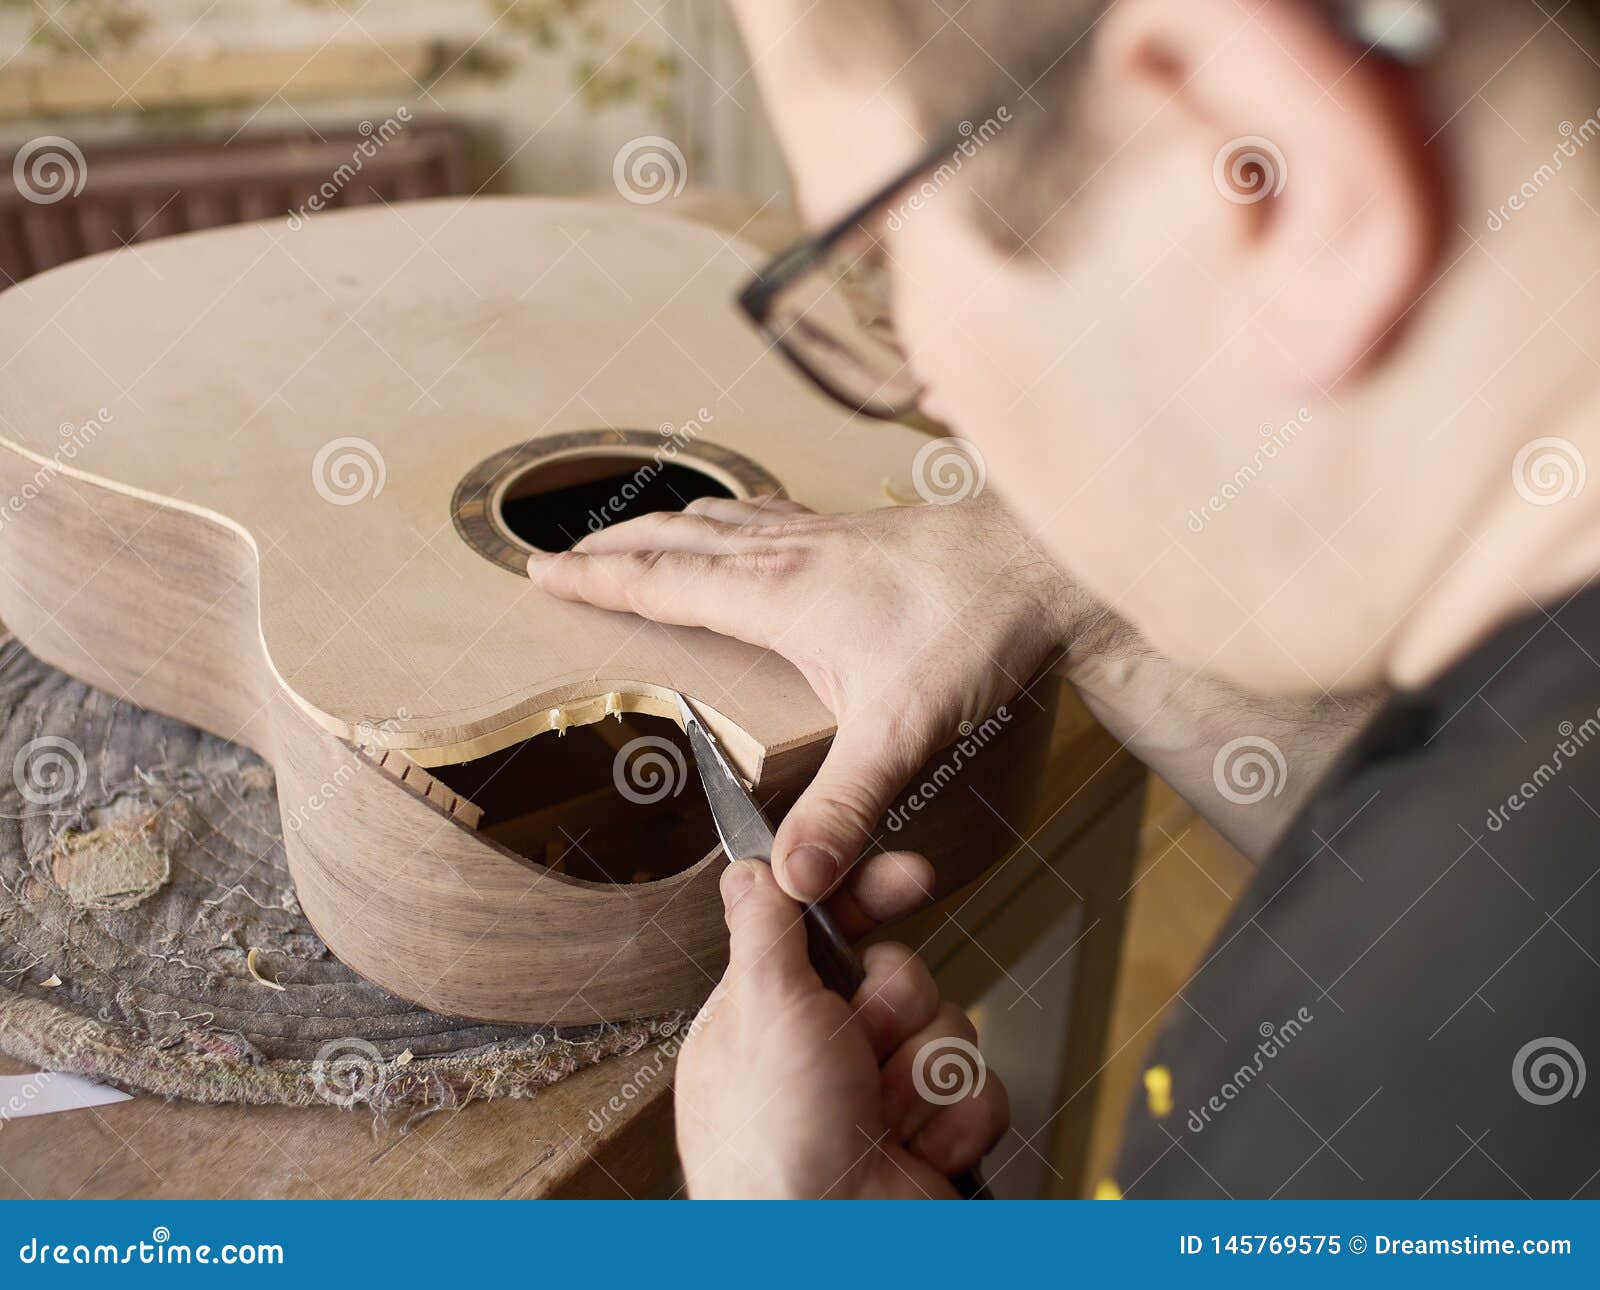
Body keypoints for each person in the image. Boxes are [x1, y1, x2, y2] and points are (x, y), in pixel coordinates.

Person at [528, 0, 1600, 1198]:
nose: (922, 383)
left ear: (1268, 160)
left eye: (880, 260)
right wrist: (1079, 579)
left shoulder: (1381, 1113)